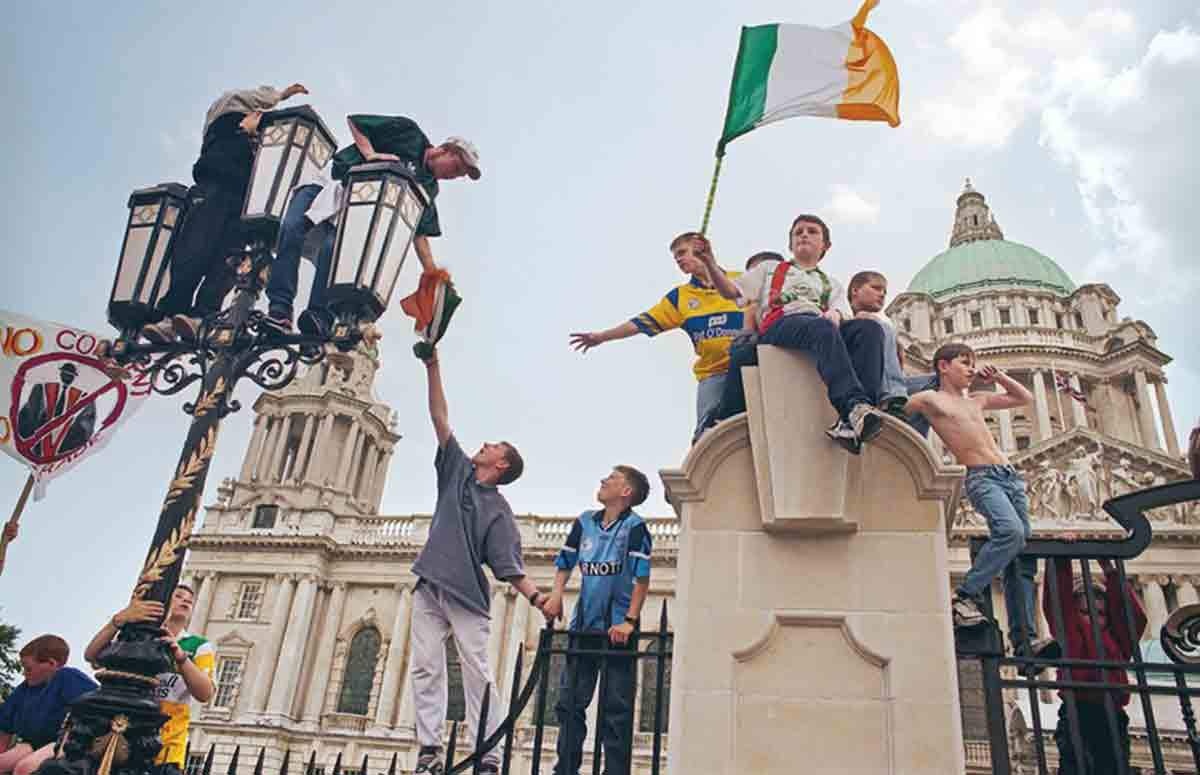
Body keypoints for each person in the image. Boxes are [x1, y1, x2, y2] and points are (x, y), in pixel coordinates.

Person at [410, 346, 546, 775]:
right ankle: (428, 749)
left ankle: (487, 752)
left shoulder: (500, 512)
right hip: (429, 586)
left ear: (500, 464)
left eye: (492, 446)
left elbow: (509, 568)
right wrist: (433, 365)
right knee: (425, 667)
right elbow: (439, 417)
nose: (482, 444)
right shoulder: (456, 472)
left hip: (468, 597)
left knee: (477, 673)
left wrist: (539, 599)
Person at [262, 115, 481, 337]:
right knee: (291, 228)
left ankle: (318, 318)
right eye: (456, 168)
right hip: (330, 183)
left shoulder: (428, 187)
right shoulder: (409, 134)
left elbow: (420, 231)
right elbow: (357, 122)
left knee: (334, 251)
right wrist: (370, 155)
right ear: (444, 150)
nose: (453, 177)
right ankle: (280, 308)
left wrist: (433, 274)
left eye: (459, 175)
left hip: (353, 209)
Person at [905, 344, 1058, 660]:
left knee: (1020, 557)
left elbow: (1023, 399)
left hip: (1010, 477)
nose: (972, 369)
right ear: (943, 366)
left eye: (974, 363)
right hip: (982, 477)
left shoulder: (977, 400)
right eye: (965, 363)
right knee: (1011, 533)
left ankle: (1025, 640)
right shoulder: (930, 400)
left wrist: (999, 375)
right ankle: (964, 595)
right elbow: (895, 408)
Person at [700, 216, 884, 451]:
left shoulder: (831, 283)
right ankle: (852, 405)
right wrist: (709, 262)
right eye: (798, 232)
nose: (804, 235)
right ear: (790, 245)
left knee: (869, 329)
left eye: (811, 231)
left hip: (818, 326)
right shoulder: (770, 269)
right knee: (820, 326)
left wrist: (836, 315)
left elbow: (840, 312)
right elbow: (730, 291)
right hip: (782, 325)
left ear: (825, 246)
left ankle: (858, 418)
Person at [142, 83, 309, 343]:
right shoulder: (228, 114)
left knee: (227, 260)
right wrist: (281, 96)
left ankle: (200, 318)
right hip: (216, 190)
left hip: (242, 202)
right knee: (195, 250)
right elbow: (257, 98)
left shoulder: (257, 140)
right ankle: (173, 315)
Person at [570, 232, 743, 443]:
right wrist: (602, 337)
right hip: (714, 375)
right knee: (706, 438)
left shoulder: (741, 280)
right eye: (675, 257)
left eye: (682, 252)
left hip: (749, 368)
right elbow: (640, 323)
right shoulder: (680, 297)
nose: (678, 260)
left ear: (701, 248)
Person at [542, 465, 654, 775]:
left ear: (626, 492)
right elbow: (565, 561)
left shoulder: (635, 527)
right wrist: (556, 594)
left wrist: (629, 621)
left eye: (612, 478)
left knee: (615, 710)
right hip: (584, 626)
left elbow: (641, 578)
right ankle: (565, 769)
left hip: (618, 630)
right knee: (569, 705)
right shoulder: (584, 521)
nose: (603, 481)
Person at [84, 585, 215, 775]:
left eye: (190, 599)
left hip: (167, 748)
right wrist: (117, 621)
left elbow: (205, 693)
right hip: (120, 738)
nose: (185, 600)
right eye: (178, 596)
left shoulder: (197, 645)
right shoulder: (136, 636)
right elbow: (92, 654)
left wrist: (180, 657)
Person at [1043, 552, 1146, 774]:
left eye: (1100, 613)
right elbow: (1058, 602)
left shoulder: (1118, 639)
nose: (1094, 619)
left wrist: (1109, 570)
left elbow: (1132, 617)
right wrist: (1062, 559)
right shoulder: (1070, 635)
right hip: (1077, 711)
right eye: (1085, 612)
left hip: (1113, 713)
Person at [0, 635, 97, 775]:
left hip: (64, 741)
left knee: (25, 768)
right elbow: (4, 727)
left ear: (51, 664)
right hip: (31, 743)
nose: (24, 673)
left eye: (28, 669)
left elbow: (93, 708)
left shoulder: (68, 677)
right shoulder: (23, 690)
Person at [16, 363, 97, 458]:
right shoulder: (43, 387)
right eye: (65, 374)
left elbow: (86, 425)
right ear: (60, 373)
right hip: (38, 435)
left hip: (65, 441)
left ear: (74, 377)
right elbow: (30, 409)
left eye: (70, 375)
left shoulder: (84, 396)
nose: (67, 377)